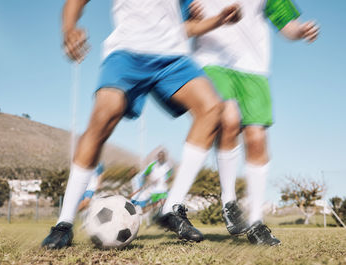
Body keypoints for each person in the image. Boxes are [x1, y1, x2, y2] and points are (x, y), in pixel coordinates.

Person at [41, 0, 240, 249]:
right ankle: (64, 224)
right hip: (127, 52)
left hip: (173, 56)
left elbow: (187, 25)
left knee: (212, 110)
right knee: (102, 118)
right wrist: (69, 27)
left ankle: (171, 209)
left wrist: (218, 19)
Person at [181, 0, 319, 246]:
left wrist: (301, 30)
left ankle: (256, 222)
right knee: (229, 119)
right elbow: (180, 18)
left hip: (254, 69)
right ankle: (229, 200)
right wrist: (189, 13)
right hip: (211, 60)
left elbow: (286, 25)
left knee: (257, 138)